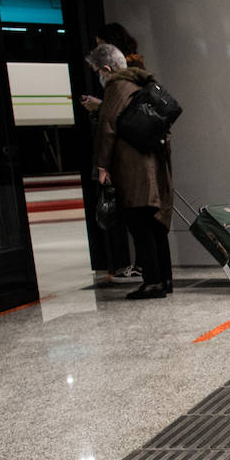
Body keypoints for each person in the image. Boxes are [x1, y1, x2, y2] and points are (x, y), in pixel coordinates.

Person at [86, 43, 174, 300]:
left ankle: (152, 282)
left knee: (139, 225)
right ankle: (165, 279)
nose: (99, 77)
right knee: (156, 225)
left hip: (133, 169)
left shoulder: (117, 86)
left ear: (106, 68)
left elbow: (108, 128)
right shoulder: (140, 82)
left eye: (97, 72)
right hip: (154, 166)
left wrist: (101, 166)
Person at [80, 23, 144, 282]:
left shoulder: (123, 80)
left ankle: (147, 270)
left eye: (101, 44)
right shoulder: (137, 72)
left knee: (137, 213)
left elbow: (115, 121)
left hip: (128, 156)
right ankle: (152, 271)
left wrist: (100, 107)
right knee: (142, 215)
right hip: (137, 154)